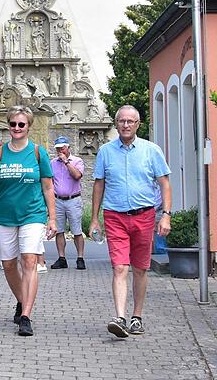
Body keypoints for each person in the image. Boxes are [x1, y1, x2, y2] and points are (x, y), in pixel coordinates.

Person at [89, 105, 171, 338]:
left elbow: (164, 183)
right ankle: (120, 317)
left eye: (130, 121)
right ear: (116, 124)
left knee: (140, 268)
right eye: (122, 121)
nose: (125, 125)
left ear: (137, 124)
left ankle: (137, 316)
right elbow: (98, 184)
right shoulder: (105, 151)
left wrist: (165, 214)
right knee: (120, 266)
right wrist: (94, 219)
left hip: (144, 215)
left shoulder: (151, 150)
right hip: (114, 216)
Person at [0, 105, 56, 337]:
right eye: (13, 124)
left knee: (29, 261)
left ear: (28, 126)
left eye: (21, 124)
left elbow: (47, 186)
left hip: (32, 214)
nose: (16, 128)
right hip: (4, 216)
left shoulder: (37, 152)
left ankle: (26, 315)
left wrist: (52, 217)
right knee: (8, 264)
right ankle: (22, 300)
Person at [48, 136, 87, 270]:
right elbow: (50, 182)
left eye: (62, 148)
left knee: (77, 231)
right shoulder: (52, 163)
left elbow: (77, 176)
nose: (60, 150)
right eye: (58, 148)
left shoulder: (77, 161)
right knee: (59, 231)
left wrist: (66, 162)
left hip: (73, 200)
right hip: (58, 200)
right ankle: (61, 258)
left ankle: (80, 258)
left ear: (68, 147)